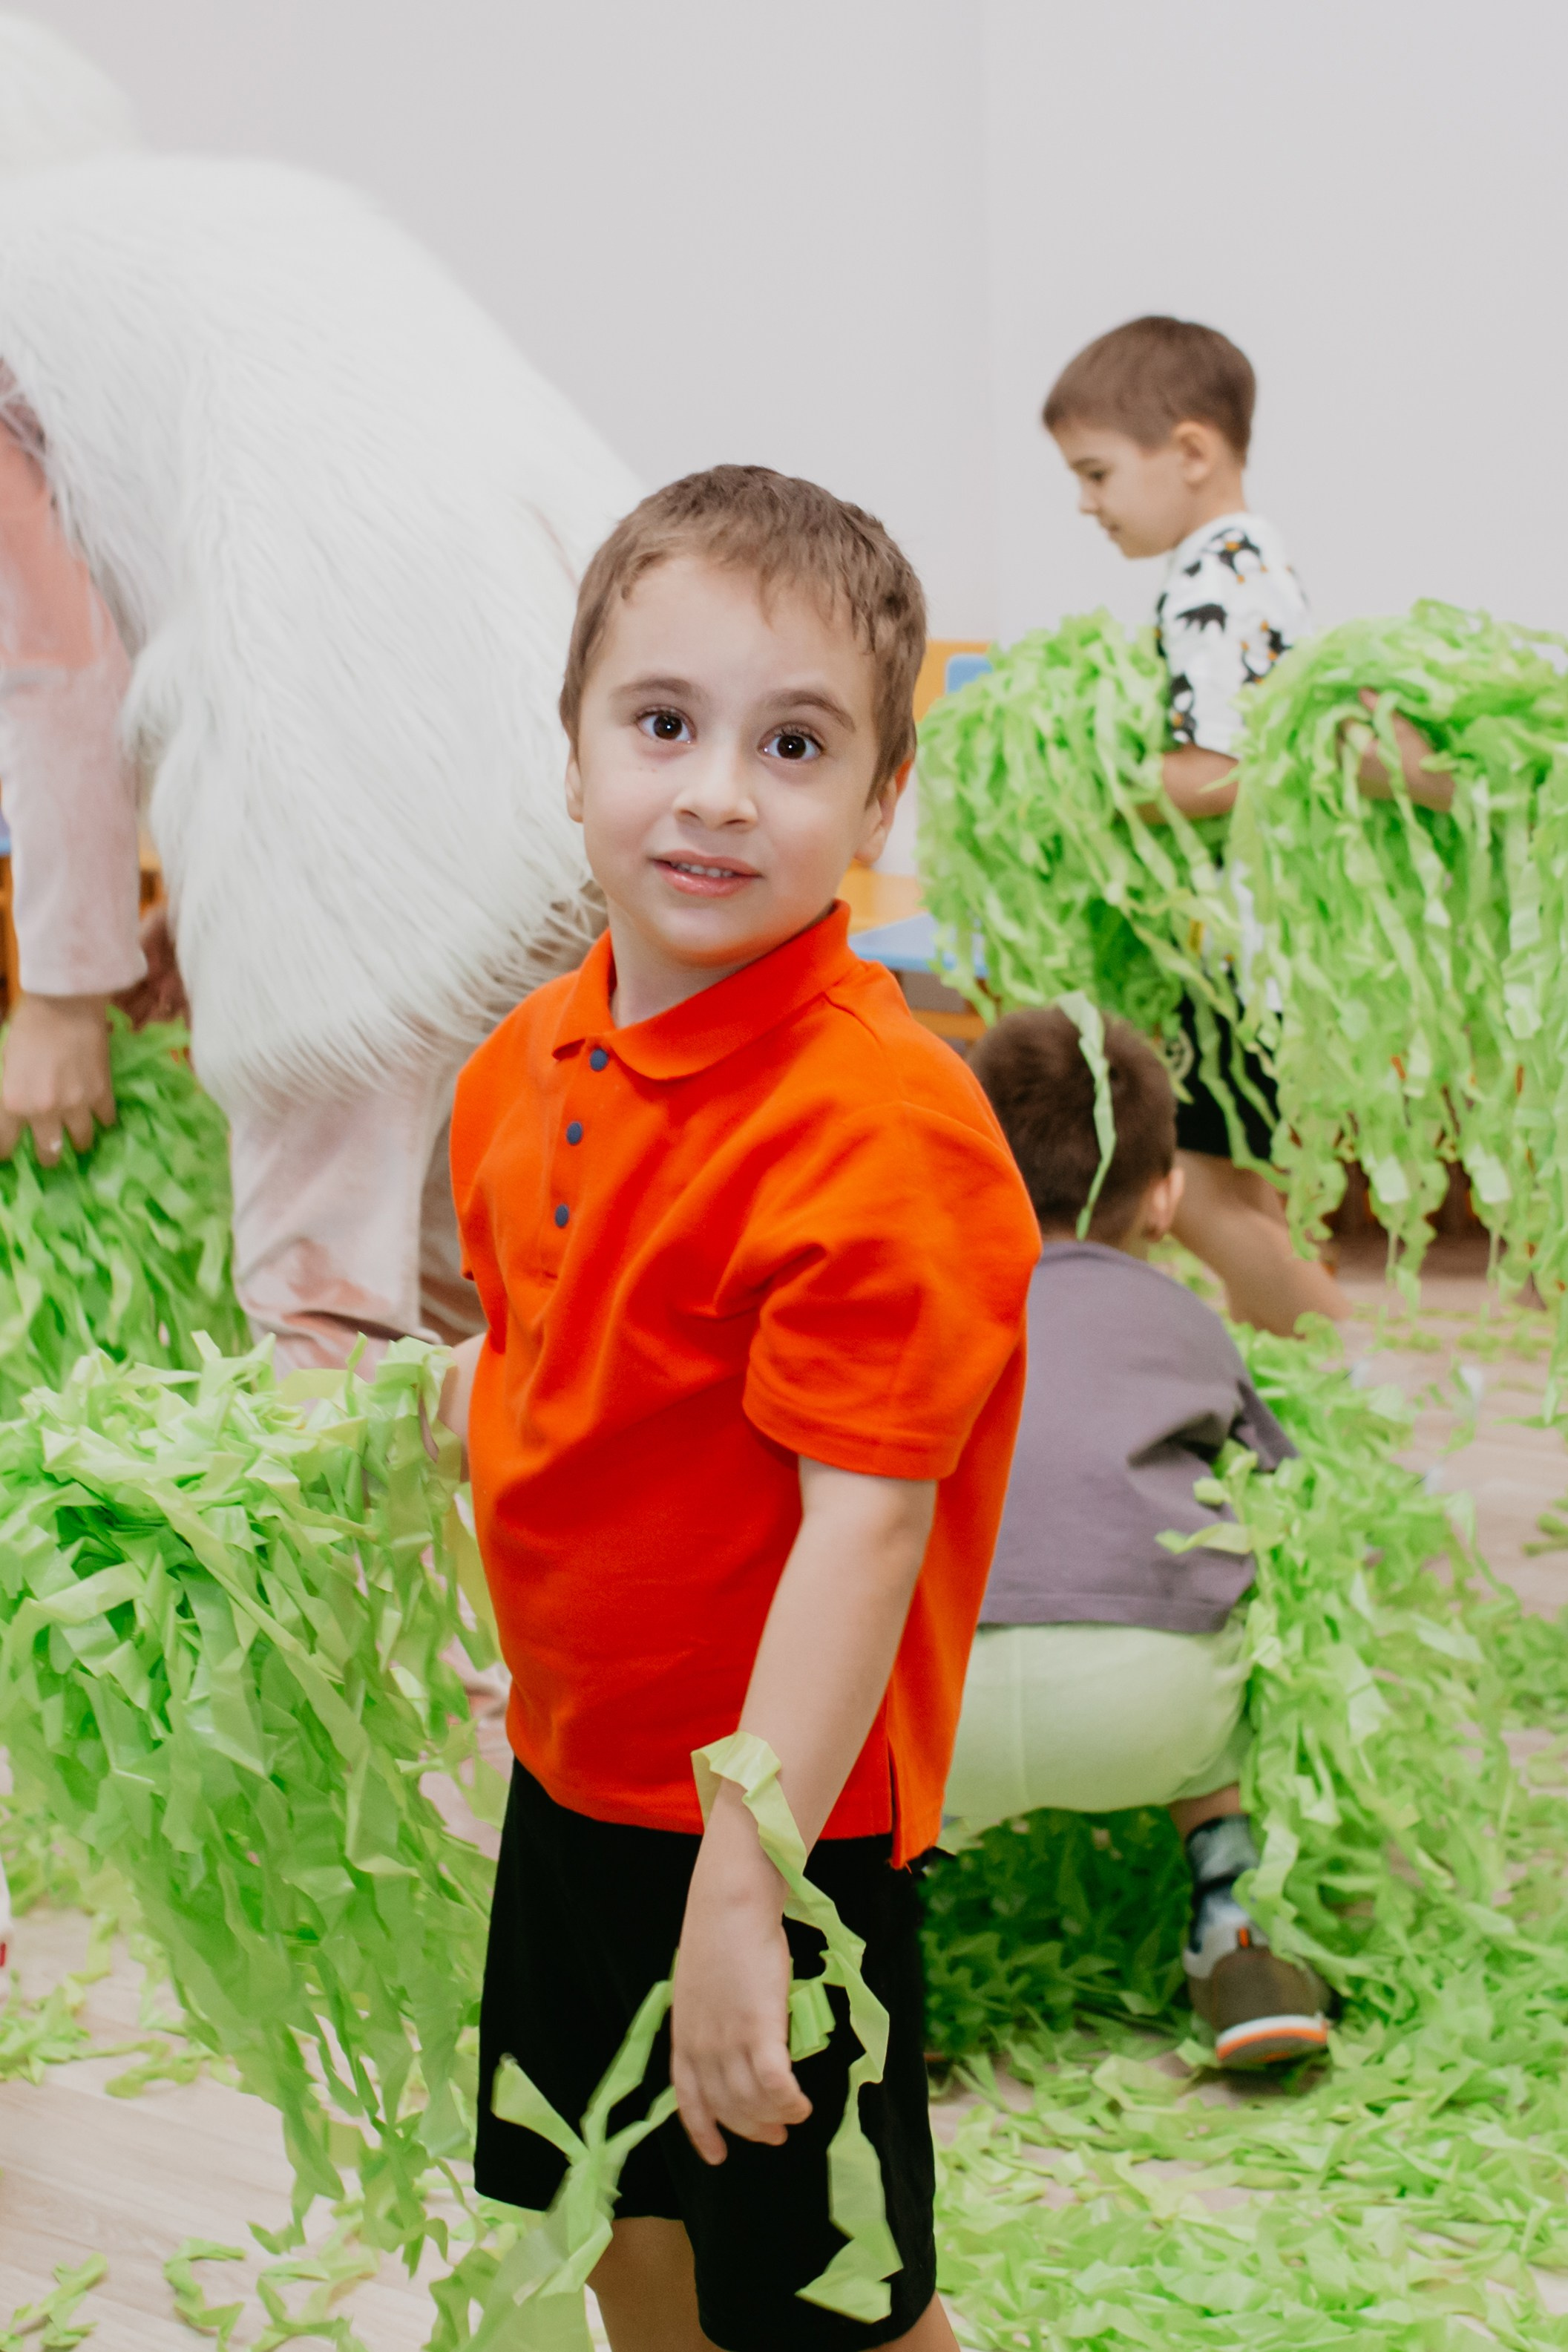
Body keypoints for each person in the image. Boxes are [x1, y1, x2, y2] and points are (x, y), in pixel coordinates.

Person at [436, 466, 1040, 2352]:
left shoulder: (879, 1128)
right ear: (574, 755)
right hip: (577, 1779)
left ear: (876, 803)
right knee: (617, 2218)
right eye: (663, 723)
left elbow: (864, 1527)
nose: (713, 789)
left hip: (782, 1828)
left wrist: (745, 1897)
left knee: (834, 2300)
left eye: (792, 744)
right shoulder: (519, 1068)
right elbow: (552, 1363)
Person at [0, 15, 639, 1363]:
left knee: (320, 1297)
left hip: (348, 730)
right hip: (585, 675)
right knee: (492, 1249)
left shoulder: (23, 295)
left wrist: (61, 1000)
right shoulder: (191, 219)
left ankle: (346, 1568)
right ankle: (496, 1568)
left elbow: (58, 675)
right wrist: (209, 909)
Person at [1043, 315, 1449, 1335]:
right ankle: (1299, 1379)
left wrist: (1093, 794)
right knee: (1239, 1186)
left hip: (1233, 951)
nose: (1083, 502)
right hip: (1259, 942)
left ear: (1188, 452)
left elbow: (1212, 772)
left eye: (1095, 473)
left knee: (1195, 1187)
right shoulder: (1251, 559)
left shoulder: (1210, 579)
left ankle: (1344, 1386)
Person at [945, 1002, 1331, 2069]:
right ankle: (1229, 1916)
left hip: (933, 1720)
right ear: (1164, 1197)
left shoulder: (920, 1304)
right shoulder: (1190, 1322)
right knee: (1245, 1611)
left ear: (969, 1164)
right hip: (1150, 1711)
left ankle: (883, 1947)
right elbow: (1283, 1495)